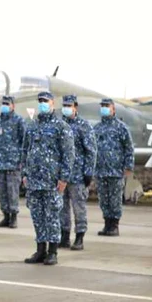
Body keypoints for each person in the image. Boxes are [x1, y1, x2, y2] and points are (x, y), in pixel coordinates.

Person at [22, 91, 74, 266]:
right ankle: (40, 250)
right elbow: (25, 151)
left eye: (45, 101)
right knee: (37, 216)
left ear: (53, 103)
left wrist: (64, 178)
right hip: (34, 180)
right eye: (40, 101)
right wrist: (24, 174)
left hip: (52, 181)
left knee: (52, 216)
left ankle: (53, 251)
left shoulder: (61, 126)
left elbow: (68, 154)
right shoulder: (32, 125)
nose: (42, 104)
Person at [59, 95, 96, 250]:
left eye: (69, 105)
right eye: (64, 105)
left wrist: (88, 172)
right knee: (62, 208)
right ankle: (64, 236)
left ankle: (79, 237)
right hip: (62, 176)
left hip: (78, 175)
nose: (66, 108)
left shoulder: (84, 126)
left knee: (78, 207)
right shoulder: (59, 125)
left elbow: (91, 151)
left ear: (75, 107)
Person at [93, 98, 134, 236]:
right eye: (102, 106)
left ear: (113, 109)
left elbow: (129, 148)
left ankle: (114, 225)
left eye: (107, 106)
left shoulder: (121, 127)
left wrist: (128, 166)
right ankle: (107, 224)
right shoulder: (97, 128)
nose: (104, 108)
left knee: (115, 199)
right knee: (104, 199)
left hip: (116, 171)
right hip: (100, 170)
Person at [0, 95, 25, 229]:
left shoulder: (19, 121)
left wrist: (21, 160)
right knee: (2, 192)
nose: (4, 106)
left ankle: (14, 217)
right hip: (0, 164)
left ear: (13, 106)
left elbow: (24, 142)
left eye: (7, 103)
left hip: (13, 164)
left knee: (12, 191)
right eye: (3, 103)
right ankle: (5, 216)